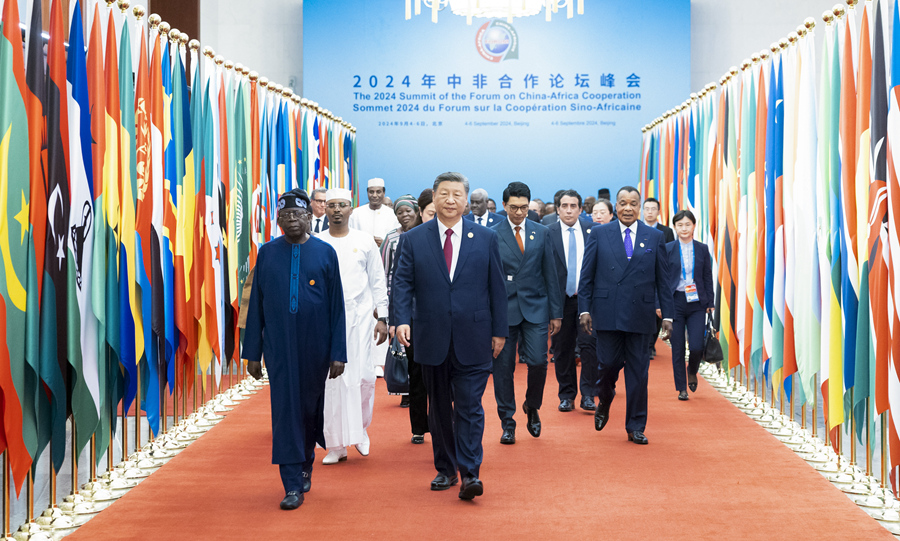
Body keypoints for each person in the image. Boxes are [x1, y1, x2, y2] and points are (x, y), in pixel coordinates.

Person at [393, 172, 507, 501]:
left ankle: (470, 472)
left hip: (475, 335)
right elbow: (402, 283)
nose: (451, 200)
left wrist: (500, 330)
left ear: (466, 200)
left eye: (457, 194)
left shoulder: (485, 238)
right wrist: (401, 320)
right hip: (431, 336)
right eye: (444, 193)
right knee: (440, 407)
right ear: (434, 197)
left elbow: (497, 288)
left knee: (470, 406)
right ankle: (445, 468)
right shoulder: (414, 239)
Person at [242, 189, 347, 511]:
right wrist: (252, 352)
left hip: (316, 346)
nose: (291, 220)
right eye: (285, 215)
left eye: (298, 214)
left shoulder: (325, 253)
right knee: (285, 411)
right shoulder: (267, 253)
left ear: (309, 217)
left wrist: (338, 352)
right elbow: (256, 305)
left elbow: (336, 307)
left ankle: (305, 463)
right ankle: (291, 484)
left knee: (310, 409)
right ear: (278, 220)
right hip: (279, 348)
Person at [578, 186, 673, 445]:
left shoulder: (654, 236)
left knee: (639, 374)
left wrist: (668, 315)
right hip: (607, 313)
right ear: (615, 207)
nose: (628, 208)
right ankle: (605, 397)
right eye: (623, 203)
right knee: (607, 364)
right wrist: (584, 309)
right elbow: (586, 276)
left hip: (641, 314)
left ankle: (636, 425)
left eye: (633, 203)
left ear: (639, 207)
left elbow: (663, 280)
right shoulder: (599, 233)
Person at [318, 188, 389, 464]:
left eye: (342, 205)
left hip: (360, 320)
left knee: (364, 378)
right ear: (325, 209)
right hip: (327, 321)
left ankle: (360, 430)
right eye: (332, 205)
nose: (337, 210)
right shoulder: (317, 242)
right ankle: (336, 445)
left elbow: (378, 280)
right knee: (332, 383)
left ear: (350, 209)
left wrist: (382, 317)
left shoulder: (365, 241)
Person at [491, 182, 562, 444]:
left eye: (524, 207)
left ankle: (532, 406)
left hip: (536, 306)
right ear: (504, 205)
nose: (519, 212)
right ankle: (507, 422)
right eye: (513, 207)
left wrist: (556, 313)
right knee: (503, 368)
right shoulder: (492, 234)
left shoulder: (541, 232)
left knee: (538, 361)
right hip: (504, 309)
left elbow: (550, 273)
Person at [382, 196, 429, 438]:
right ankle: (419, 427)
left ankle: (443, 424)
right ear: (422, 212)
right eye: (430, 213)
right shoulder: (406, 240)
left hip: (445, 318)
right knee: (417, 372)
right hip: (412, 316)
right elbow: (396, 282)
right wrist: (394, 319)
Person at [548, 190, 599, 412]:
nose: (569, 210)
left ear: (580, 209)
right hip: (560, 302)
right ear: (557, 209)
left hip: (587, 300)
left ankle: (588, 394)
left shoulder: (594, 231)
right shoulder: (547, 232)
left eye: (573, 206)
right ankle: (566, 395)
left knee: (590, 347)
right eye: (564, 206)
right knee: (562, 349)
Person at [666, 210, 714, 401]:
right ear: (674, 227)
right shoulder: (668, 248)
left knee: (696, 345)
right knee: (677, 347)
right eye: (680, 225)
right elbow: (661, 279)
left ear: (694, 226)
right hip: (675, 301)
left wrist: (710, 302)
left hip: (696, 303)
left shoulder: (702, 248)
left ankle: (692, 370)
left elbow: (707, 276)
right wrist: (660, 304)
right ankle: (681, 388)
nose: (684, 228)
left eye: (687, 224)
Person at [642, 196, 674, 360]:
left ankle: (650, 344)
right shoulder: (638, 228)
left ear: (658, 212)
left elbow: (670, 254)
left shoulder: (665, 231)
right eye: (647, 209)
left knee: (657, 312)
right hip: (642, 275)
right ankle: (645, 344)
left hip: (659, 275)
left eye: (653, 209)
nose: (649, 212)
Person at [348, 177, 400, 248]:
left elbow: (398, 239)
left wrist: (385, 244)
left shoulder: (392, 214)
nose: (375, 195)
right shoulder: (356, 213)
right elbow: (349, 236)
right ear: (367, 193)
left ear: (384, 193)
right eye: (371, 192)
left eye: (378, 192)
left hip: (384, 253)